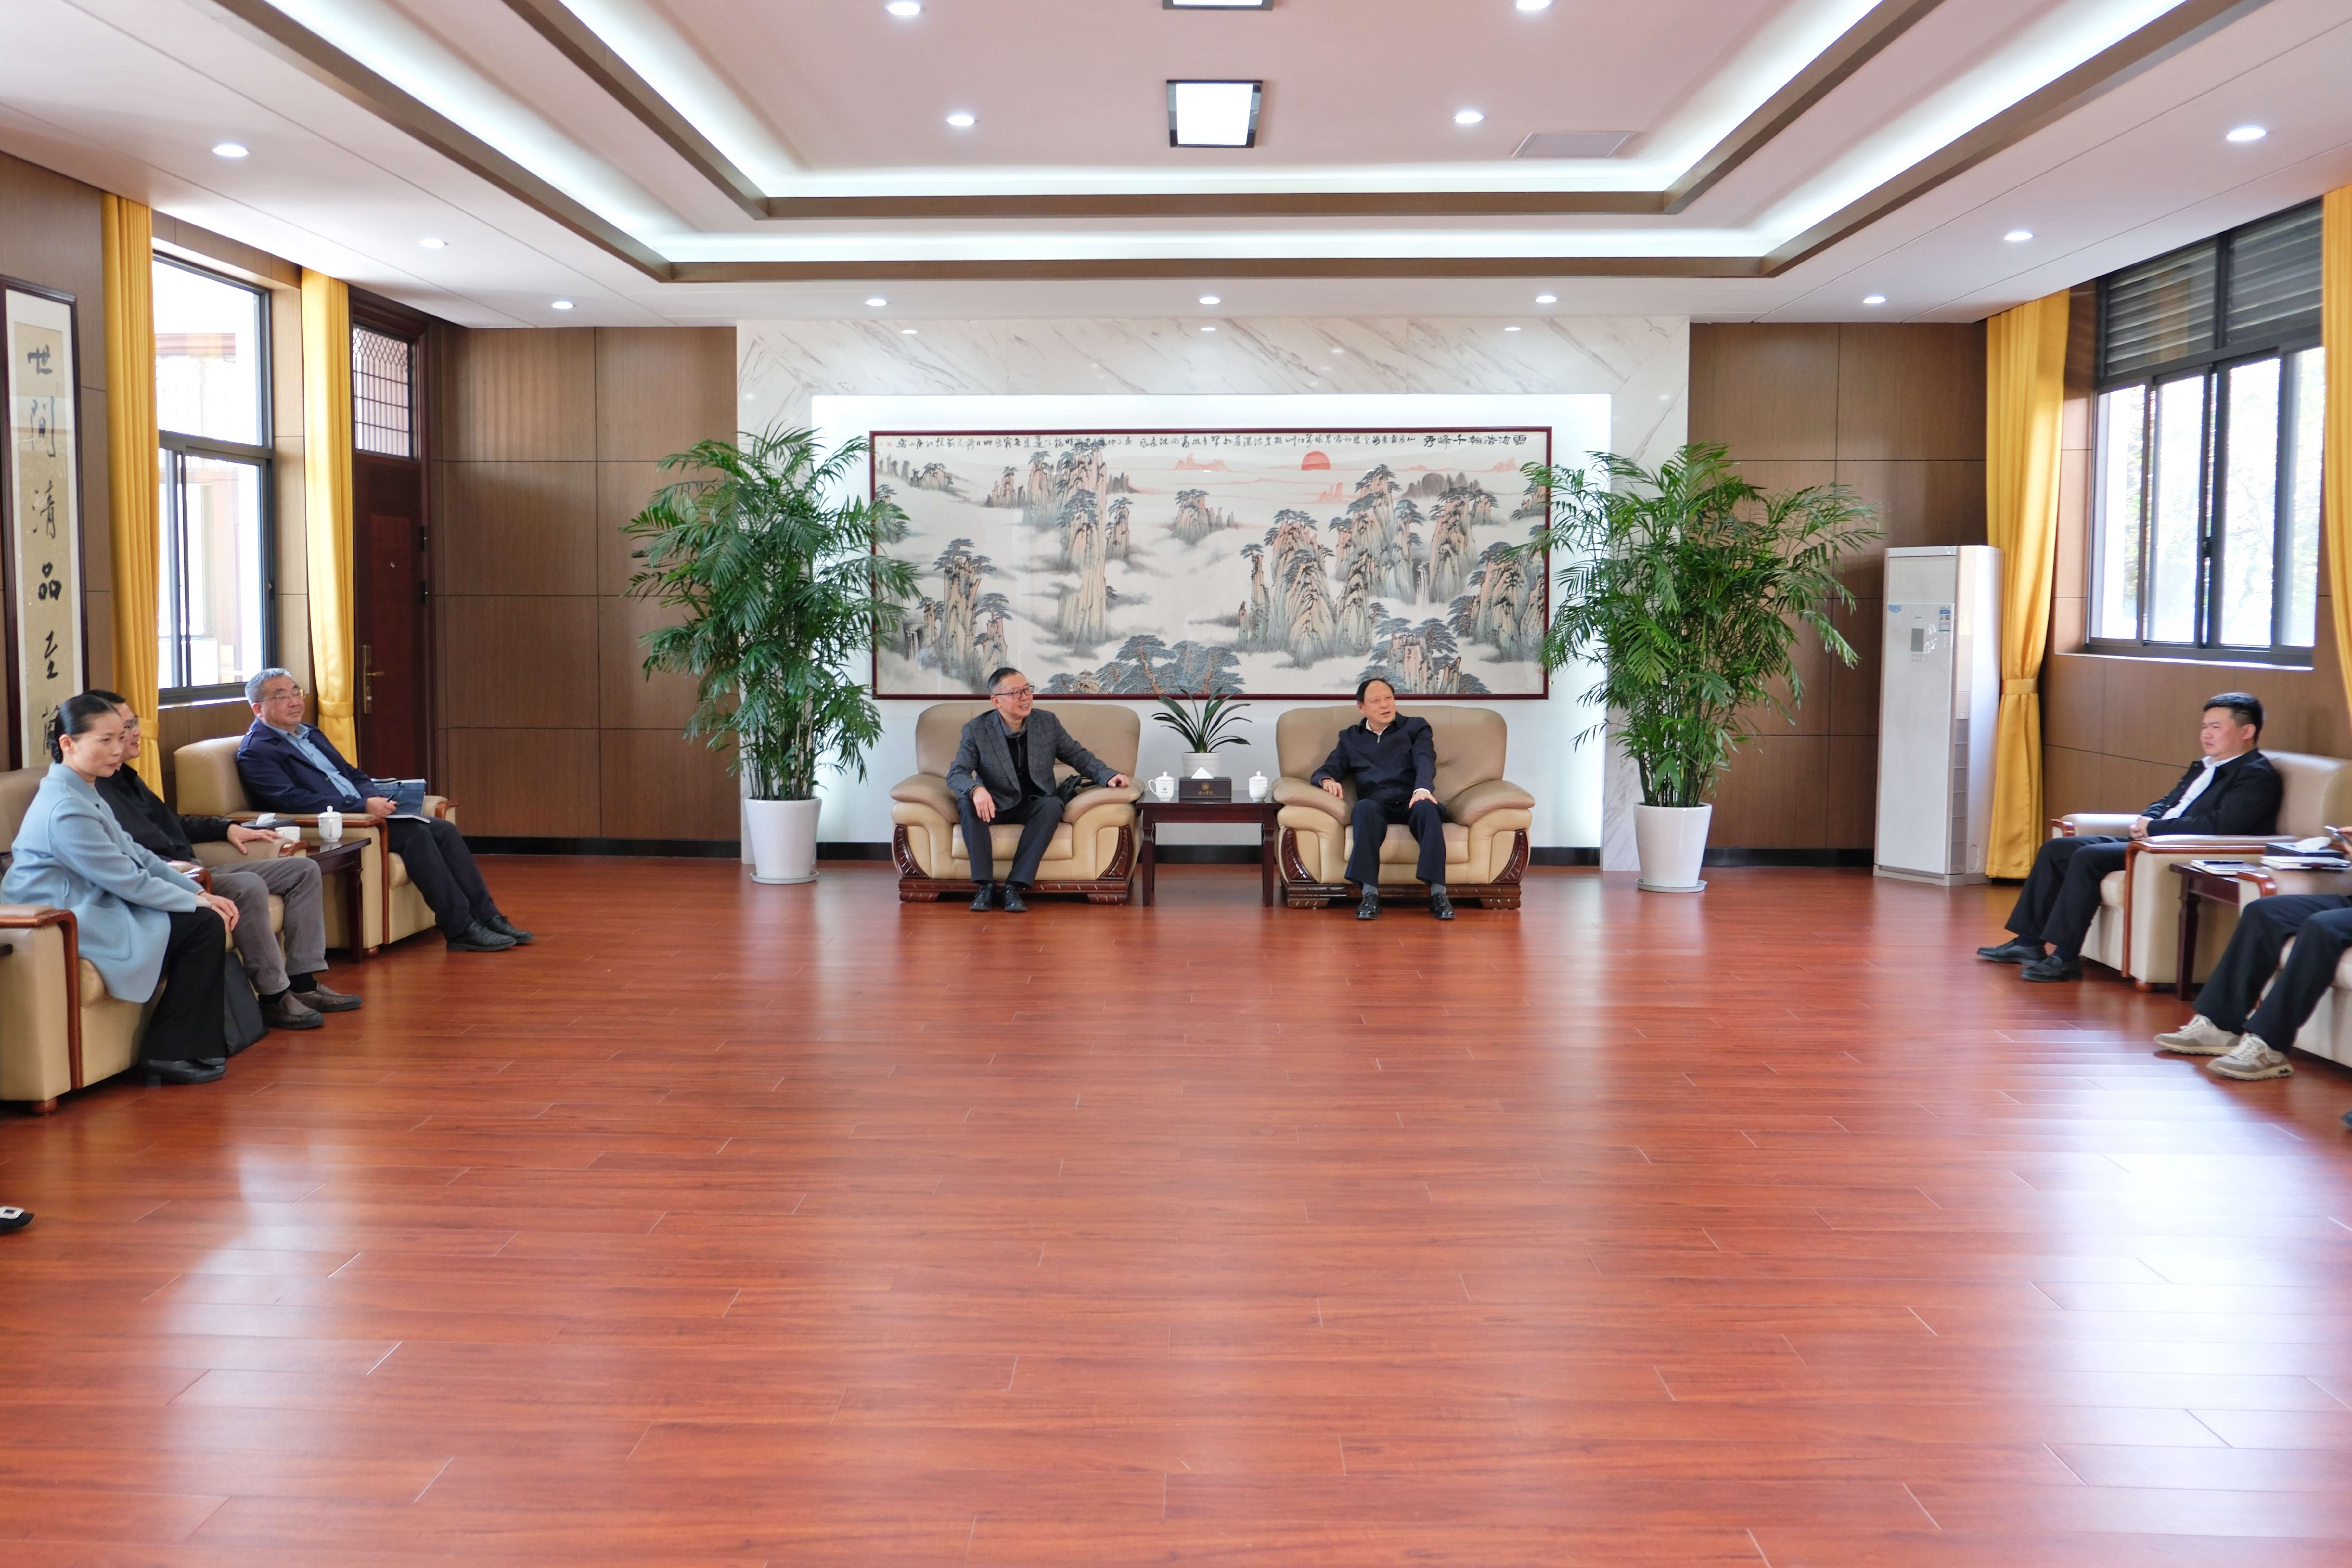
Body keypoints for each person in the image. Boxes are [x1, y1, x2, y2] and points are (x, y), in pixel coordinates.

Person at [0, 692, 239, 1085]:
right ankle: (170, 1051)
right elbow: (128, 879)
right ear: (68, 743)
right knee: (202, 926)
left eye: (121, 736)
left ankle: (181, 1046)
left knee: (201, 920)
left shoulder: (83, 789)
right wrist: (196, 902)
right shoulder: (66, 806)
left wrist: (198, 893)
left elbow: (137, 854)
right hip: (63, 915)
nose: (117, 749)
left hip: (93, 901)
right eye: (105, 740)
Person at [88, 691, 360, 1031]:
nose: (135, 733)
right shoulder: (94, 790)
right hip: (178, 878)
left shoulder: (127, 778)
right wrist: (188, 873)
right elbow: (131, 855)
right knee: (248, 885)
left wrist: (226, 827)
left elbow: (172, 824)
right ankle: (274, 996)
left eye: (133, 724)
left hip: (199, 867)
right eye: (124, 728)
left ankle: (304, 984)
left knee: (303, 870)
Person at [1978, 693, 2280, 981]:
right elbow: (2169, 802)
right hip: (2151, 840)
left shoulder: (2255, 775)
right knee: (2056, 849)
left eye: (2216, 727)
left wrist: (2154, 829)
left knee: (2087, 857)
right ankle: (2028, 942)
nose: (2206, 734)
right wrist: (2145, 819)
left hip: (2176, 849)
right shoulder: (2206, 766)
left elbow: (2220, 825)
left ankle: (2065, 958)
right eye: (2204, 727)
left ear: (2247, 731)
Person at [234, 669, 531, 953]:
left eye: (296, 692)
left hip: (366, 811)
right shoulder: (257, 751)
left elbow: (352, 773)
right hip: (341, 822)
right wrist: (361, 806)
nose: (294, 702)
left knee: (444, 830)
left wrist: (374, 797)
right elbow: (290, 800)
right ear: (258, 709)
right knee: (416, 834)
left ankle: (488, 916)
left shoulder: (310, 733)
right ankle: (461, 930)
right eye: (281, 696)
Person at [946, 667, 1129, 913]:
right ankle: (985, 887)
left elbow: (1077, 755)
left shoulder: (1046, 723)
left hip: (1033, 803)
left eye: (1027, 690)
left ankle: (1014, 887)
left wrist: (1108, 776)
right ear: (996, 701)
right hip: (994, 804)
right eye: (1016, 693)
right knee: (967, 803)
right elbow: (957, 773)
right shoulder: (976, 730)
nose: (1025, 698)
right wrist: (976, 790)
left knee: (1053, 805)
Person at [1313, 676, 1453, 922]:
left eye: (1389, 698)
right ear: (1361, 707)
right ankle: (1370, 895)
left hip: (1412, 799)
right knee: (1363, 809)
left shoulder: (1416, 727)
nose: (1385, 705)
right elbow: (1327, 769)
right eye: (1376, 701)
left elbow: (1425, 759)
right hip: (1376, 803)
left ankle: (1439, 895)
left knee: (1428, 808)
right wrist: (1327, 781)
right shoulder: (1350, 738)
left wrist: (1422, 790)